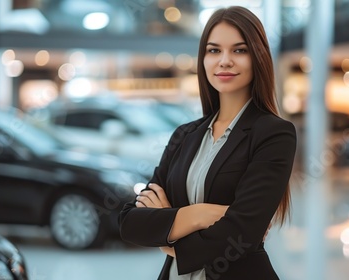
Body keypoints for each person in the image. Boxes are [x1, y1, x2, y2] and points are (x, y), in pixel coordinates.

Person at [119, 6, 296, 280]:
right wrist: (200, 214)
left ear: (258, 57)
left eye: (239, 50)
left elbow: (241, 234)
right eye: (214, 50)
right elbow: (130, 222)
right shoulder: (184, 135)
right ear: (203, 59)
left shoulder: (274, 134)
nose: (224, 61)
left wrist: (168, 233)